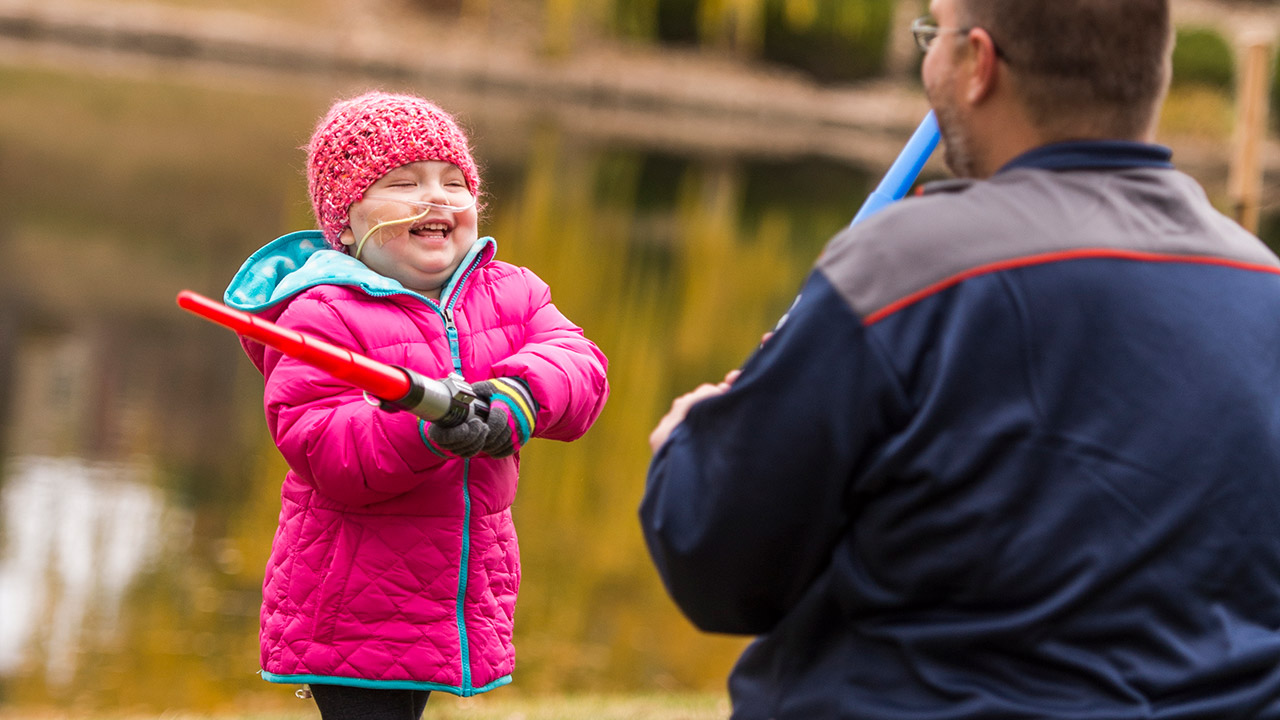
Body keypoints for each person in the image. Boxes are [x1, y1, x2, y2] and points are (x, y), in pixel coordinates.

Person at [640, 0, 1280, 717]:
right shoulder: (1265, 284)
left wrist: (692, 443)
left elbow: (720, 565)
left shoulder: (904, 269)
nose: (928, 63)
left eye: (933, 35)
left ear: (978, 64)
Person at [223, 90, 609, 719]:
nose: (436, 197)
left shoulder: (513, 293)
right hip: (351, 600)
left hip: (454, 591)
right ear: (345, 222)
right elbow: (325, 447)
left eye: (453, 182)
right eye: (403, 183)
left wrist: (519, 396)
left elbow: (581, 368)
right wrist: (426, 430)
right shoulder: (321, 315)